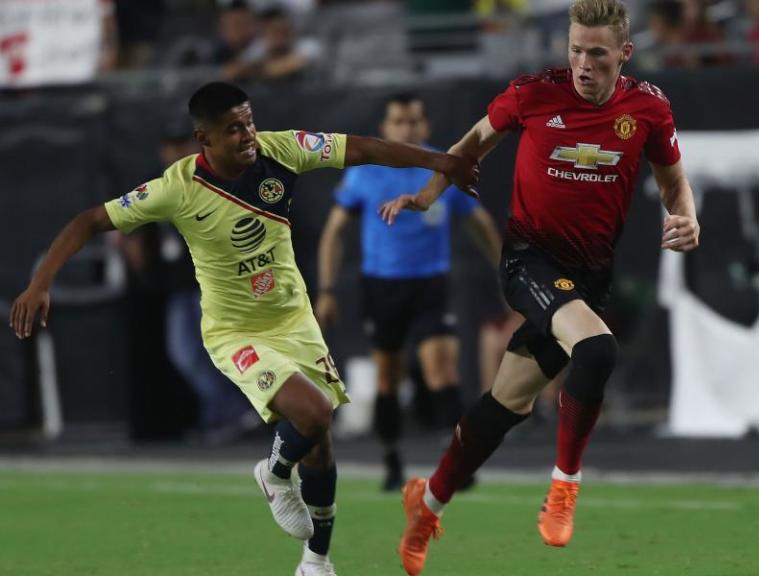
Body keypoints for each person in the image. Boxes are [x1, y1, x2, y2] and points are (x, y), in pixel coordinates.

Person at [8, 81, 478, 576]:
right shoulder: (177, 187)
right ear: (203, 138)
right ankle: (274, 473)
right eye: (232, 129)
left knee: (320, 444)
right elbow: (88, 221)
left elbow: (360, 147)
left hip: (294, 319)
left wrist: (440, 162)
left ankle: (316, 561)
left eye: (248, 121)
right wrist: (40, 283)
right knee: (314, 413)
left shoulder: (282, 150)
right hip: (236, 332)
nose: (247, 134)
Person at [379, 1, 700, 573]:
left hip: (587, 279)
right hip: (528, 260)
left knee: (504, 407)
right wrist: (424, 197)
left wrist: (687, 216)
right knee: (597, 348)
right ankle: (564, 486)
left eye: (596, 54)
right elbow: (471, 143)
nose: (581, 63)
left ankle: (426, 503)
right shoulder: (533, 95)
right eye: (574, 50)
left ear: (624, 54)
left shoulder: (648, 108)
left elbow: (673, 180)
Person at [315, 93, 502, 491]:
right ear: (385, 129)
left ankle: (459, 464)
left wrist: (506, 269)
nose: (407, 129)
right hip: (382, 285)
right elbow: (334, 231)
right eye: (399, 122)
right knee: (388, 377)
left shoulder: (443, 167)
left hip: (431, 283)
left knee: (442, 368)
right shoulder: (364, 173)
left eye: (414, 121)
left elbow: (479, 223)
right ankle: (392, 460)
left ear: (426, 126)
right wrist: (327, 288)